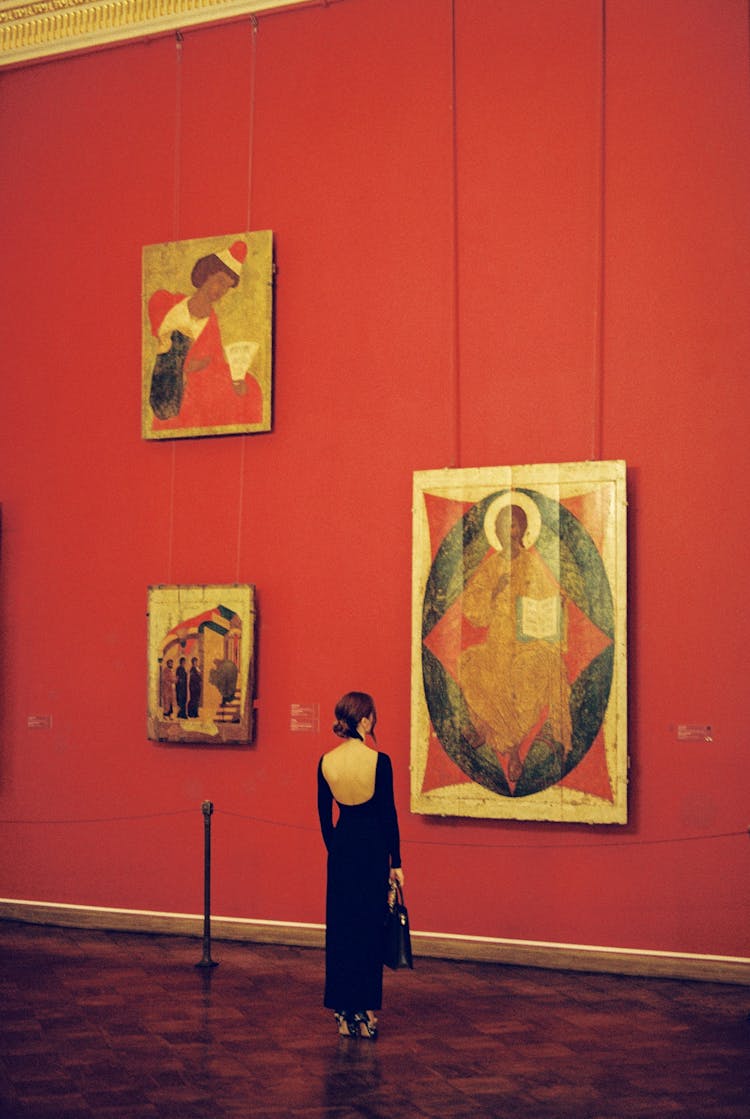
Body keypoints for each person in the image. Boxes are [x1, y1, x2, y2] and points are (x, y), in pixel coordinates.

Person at [458, 494, 572, 784]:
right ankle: (506, 746)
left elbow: (547, 605)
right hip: (497, 641)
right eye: (504, 527)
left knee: (527, 677)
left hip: (526, 644)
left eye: (515, 526)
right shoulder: (490, 566)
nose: (510, 533)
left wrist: (556, 605)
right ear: (495, 532)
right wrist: (494, 592)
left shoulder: (533, 566)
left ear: (523, 530)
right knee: (471, 664)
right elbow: (473, 610)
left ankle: (503, 742)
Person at [317, 691, 404, 1040]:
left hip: (342, 849)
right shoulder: (379, 761)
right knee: (368, 932)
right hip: (372, 850)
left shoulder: (326, 761)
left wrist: (335, 849)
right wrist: (395, 862)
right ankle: (365, 1015)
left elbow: (324, 817)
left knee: (341, 933)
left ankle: (342, 1013)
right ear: (365, 720)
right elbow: (389, 816)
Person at [147, 240, 262, 431]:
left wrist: (235, 379)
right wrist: (185, 362)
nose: (221, 290)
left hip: (202, 380)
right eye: (220, 281)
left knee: (251, 386)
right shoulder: (168, 301)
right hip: (172, 378)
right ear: (206, 274)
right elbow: (161, 335)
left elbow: (216, 361)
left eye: (227, 287)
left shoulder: (212, 322)